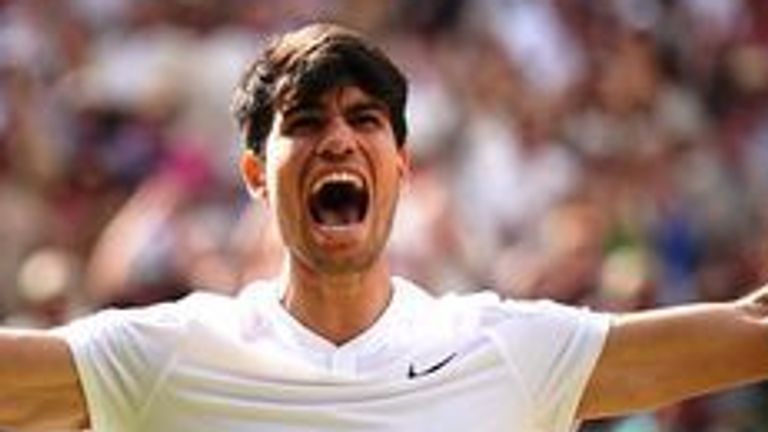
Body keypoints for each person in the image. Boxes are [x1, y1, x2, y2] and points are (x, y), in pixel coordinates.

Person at [1, 22, 768, 432]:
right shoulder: (163, 355)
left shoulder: (505, 347)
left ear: (401, 164)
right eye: (305, 122)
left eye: (365, 119)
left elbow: (751, 327)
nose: (338, 139)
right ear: (255, 176)